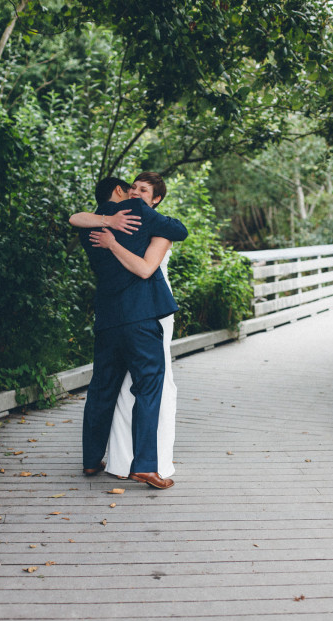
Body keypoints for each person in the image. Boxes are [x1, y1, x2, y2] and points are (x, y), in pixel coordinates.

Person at [71, 176, 187, 489]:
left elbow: (74, 218)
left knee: (101, 389)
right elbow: (179, 231)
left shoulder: (90, 225)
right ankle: (146, 466)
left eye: (142, 189)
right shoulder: (137, 210)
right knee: (149, 387)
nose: (135, 193)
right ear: (121, 191)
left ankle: (92, 460)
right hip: (140, 317)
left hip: (107, 318)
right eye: (132, 188)